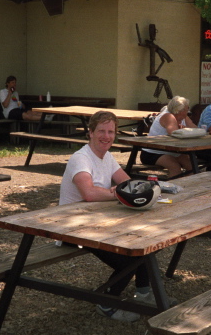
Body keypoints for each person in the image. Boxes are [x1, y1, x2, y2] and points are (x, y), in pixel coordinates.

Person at [59, 110, 161, 322]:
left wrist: (151, 188)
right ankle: (106, 302)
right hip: (71, 227)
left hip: (96, 222)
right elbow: (89, 193)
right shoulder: (81, 158)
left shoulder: (107, 157)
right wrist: (118, 193)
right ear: (90, 133)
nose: (106, 136)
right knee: (129, 259)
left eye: (111, 132)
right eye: (101, 131)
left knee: (144, 241)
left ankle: (143, 292)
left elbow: (127, 183)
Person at [140, 95, 197, 178]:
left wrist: (204, 132)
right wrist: (184, 130)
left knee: (192, 167)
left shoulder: (183, 116)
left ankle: (191, 188)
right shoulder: (168, 116)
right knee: (175, 168)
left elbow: (194, 129)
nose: (188, 112)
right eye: (187, 109)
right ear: (179, 111)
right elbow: (174, 134)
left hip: (171, 151)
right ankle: (170, 189)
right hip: (153, 152)